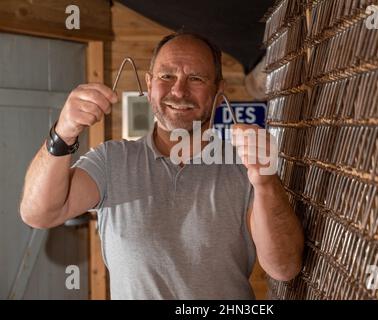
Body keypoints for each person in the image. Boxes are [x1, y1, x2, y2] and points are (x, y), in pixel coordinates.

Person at [19, 32, 304, 299]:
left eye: (196, 78)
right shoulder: (111, 160)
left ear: (219, 91)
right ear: (149, 84)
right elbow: (39, 214)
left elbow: (284, 268)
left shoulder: (245, 167)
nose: (178, 91)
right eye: (167, 76)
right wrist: (63, 132)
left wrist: (265, 181)